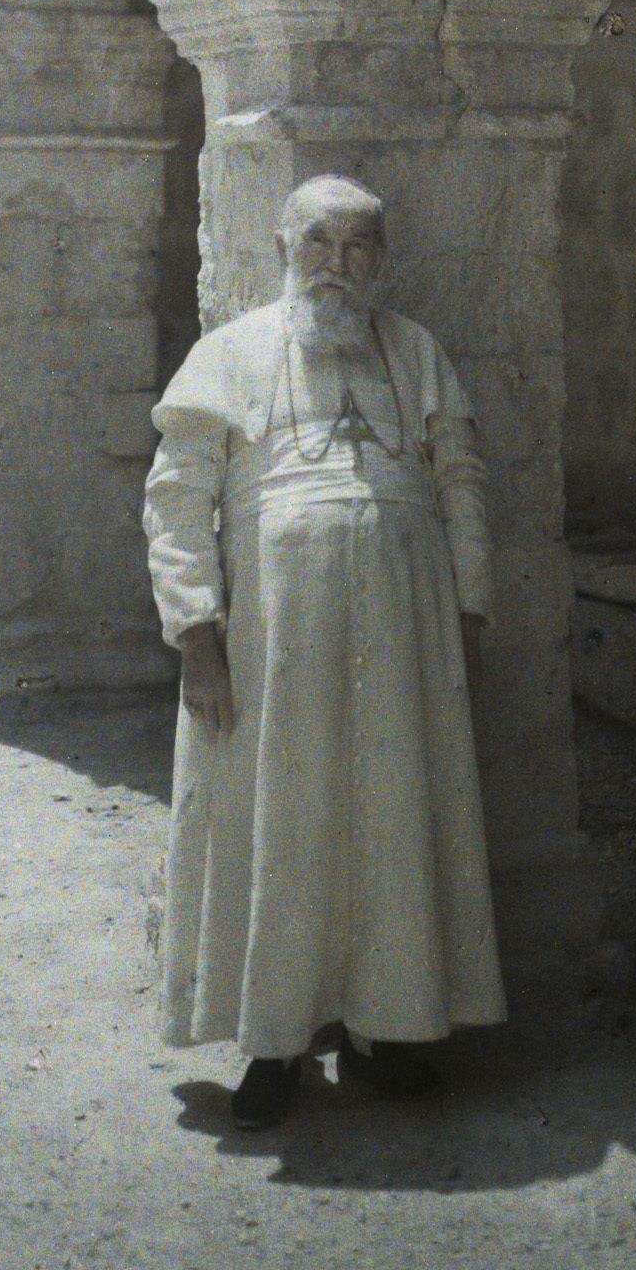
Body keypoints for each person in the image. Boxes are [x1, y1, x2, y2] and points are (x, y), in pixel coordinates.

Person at [141, 175, 508, 1129]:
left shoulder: (415, 351)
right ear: (282, 250)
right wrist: (196, 637)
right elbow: (177, 502)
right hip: (274, 644)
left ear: (381, 261)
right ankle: (273, 1044)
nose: (335, 267)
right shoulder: (227, 355)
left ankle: (386, 1026)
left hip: (404, 637)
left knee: (390, 820)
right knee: (283, 823)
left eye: (356, 249)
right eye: (317, 245)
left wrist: (468, 610)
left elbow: (460, 480)